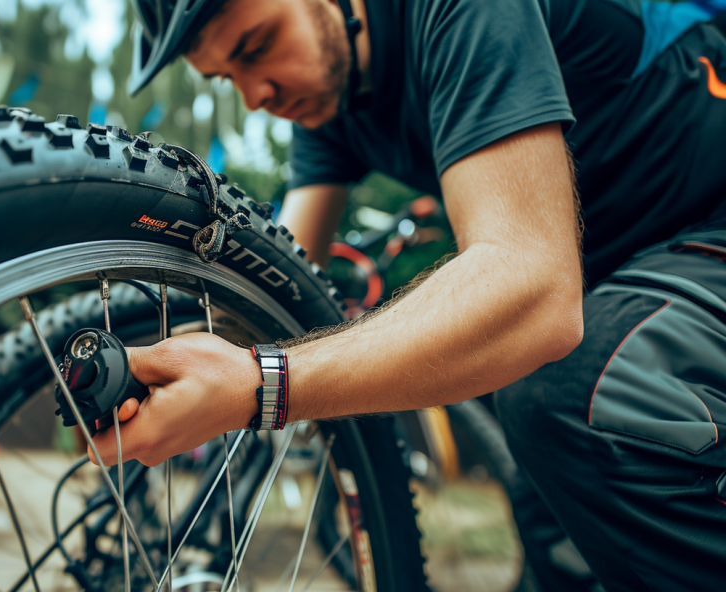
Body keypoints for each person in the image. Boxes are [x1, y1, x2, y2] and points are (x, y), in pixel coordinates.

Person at [93, 0, 726, 589]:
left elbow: (534, 290)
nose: (256, 97)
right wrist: (174, 355)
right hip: (620, 280)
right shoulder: (327, 104)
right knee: (553, 512)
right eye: (226, 78)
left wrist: (265, 384)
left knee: (575, 395)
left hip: (706, 225)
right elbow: (282, 277)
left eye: (257, 47)